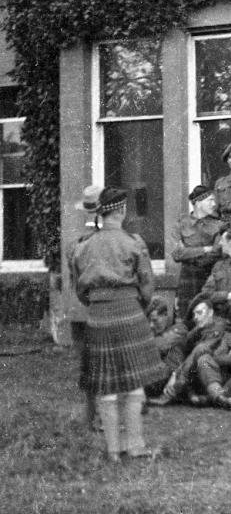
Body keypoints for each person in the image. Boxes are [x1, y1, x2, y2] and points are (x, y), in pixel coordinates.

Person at [70, 187, 164, 461]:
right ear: (121, 212)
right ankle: (135, 446)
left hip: (98, 315)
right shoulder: (133, 242)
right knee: (134, 381)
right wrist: (138, 306)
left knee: (106, 384)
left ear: (101, 213)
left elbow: (79, 290)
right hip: (129, 311)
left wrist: (98, 304)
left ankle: (113, 450)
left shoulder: (83, 246)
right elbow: (147, 284)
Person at [148, 299, 229, 406]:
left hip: (217, 374)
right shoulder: (198, 329)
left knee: (199, 350)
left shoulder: (219, 325)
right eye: (194, 314)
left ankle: (171, 394)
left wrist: (175, 374)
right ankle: (190, 395)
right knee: (177, 348)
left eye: (199, 312)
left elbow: (201, 350)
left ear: (210, 312)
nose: (195, 317)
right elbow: (184, 345)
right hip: (197, 374)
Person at [69, 184, 103, 431]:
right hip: (96, 309)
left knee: (87, 364)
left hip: (79, 310)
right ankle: (97, 416)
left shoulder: (78, 239)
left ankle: (91, 415)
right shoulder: (100, 239)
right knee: (100, 364)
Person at [170, 185, 223, 321]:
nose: (214, 204)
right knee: (186, 316)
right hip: (187, 279)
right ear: (198, 203)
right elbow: (176, 253)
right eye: (210, 200)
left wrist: (189, 254)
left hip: (210, 275)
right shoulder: (181, 224)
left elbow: (217, 252)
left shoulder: (218, 225)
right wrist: (205, 249)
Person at [145, 297, 188, 397]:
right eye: (149, 321)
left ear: (166, 315)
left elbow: (160, 345)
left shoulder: (179, 329)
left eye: (155, 320)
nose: (151, 325)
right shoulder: (155, 332)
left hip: (167, 376)